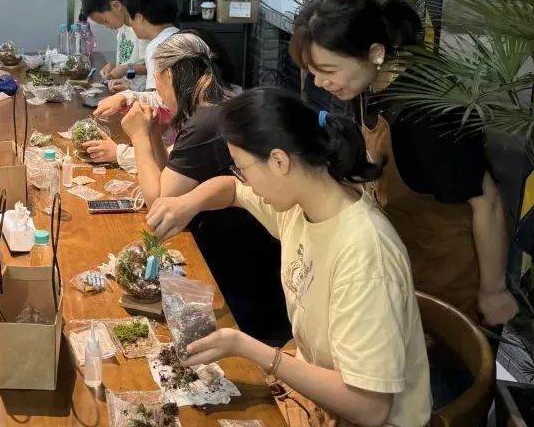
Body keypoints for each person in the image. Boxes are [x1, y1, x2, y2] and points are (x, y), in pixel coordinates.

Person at [153, 87, 430, 426]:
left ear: (279, 161)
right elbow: (231, 190)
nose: (244, 180)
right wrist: (188, 203)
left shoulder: (364, 251)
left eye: (242, 168)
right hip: (316, 396)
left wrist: (247, 347)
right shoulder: (304, 203)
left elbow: (369, 408)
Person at [289, 0, 516, 326]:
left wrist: (493, 291)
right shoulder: (367, 81)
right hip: (403, 261)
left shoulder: (427, 115)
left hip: (447, 277)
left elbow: (488, 203)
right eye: (313, 71)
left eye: (329, 70)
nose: (320, 82)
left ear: (375, 53)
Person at [121, 32, 290, 344]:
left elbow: (159, 203)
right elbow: (173, 180)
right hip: (247, 264)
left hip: (241, 279)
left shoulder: (207, 122)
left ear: (169, 75)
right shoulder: (217, 107)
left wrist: (139, 137)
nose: (158, 94)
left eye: (157, 82)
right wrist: (155, 135)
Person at [85, 0, 180, 168]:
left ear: (140, 18)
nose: (130, 25)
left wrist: (126, 97)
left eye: (131, 18)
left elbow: (157, 104)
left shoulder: (157, 47)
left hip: (178, 138)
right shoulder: (182, 36)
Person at [79, 0, 148, 93]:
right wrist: (113, 65)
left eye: (105, 21)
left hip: (140, 92)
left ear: (116, 6)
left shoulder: (141, 29)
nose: (107, 26)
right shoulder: (122, 28)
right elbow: (130, 60)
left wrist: (125, 69)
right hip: (125, 88)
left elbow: (151, 67)